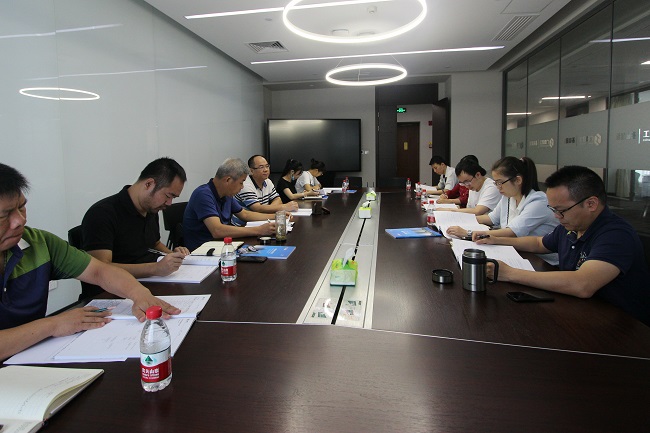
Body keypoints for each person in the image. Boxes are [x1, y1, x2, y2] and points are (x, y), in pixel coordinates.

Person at [0, 163, 181, 360]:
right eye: (4, 215)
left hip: (31, 355)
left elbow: (99, 270)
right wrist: (53, 324)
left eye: (22, 207)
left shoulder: (39, 243)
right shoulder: (104, 212)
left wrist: (140, 294)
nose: (20, 220)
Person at [477, 166, 650, 326]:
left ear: (591, 204)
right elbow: (538, 243)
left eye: (561, 210)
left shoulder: (616, 234)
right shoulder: (572, 225)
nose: (557, 217)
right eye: (553, 210)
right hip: (579, 312)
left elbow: (583, 284)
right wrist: (495, 239)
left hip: (621, 327)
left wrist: (509, 273)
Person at [82, 157, 189, 279]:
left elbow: (155, 243)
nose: (169, 203)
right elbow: (100, 268)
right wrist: (155, 268)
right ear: (149, 184)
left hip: (151, 280)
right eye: (168, 196)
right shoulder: (102, 214)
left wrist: (173, 256)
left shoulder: (151, 209)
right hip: (118, 287)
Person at [446, 156, 558, 264]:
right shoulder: (508, 197)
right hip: (516, 251)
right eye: (496, 183)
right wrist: (460, 219)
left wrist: (469, 233)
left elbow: (512, 232)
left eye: (500, 182)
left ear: (518, 180)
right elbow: (491, 218)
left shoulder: (538, 201)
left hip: (541, 261)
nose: (498, 187)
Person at [183, 158, 280, 251]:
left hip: (223, 245)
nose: (242, 187)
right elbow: (217, 230)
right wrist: (259, 230)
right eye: (241, 183)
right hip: (204, 250)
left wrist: (276, 216)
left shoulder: (226, 194)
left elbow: (245, 214)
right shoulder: (203, 194)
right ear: (228, 180)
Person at [234, 155, 299, 215]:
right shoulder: (245, 184)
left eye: (267, 166)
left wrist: (269, 209)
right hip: (246, 222)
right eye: (261, 167)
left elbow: (278, 199)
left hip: (263, 219)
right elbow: (257, 208)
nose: (266, 170)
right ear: (251, 171)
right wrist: (284, 207)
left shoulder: (267, 181)